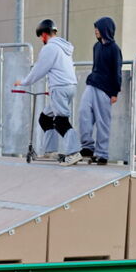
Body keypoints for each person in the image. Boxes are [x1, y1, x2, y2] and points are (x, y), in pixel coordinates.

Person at [14, 19, 82, 166]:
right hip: (69, 86)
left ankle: (74, 152)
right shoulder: (63, 47)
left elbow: (39, 69)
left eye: (40, 36)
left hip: (60, 87)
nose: (41, 40)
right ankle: (50, 151)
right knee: (45, 118)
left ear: (44, 34)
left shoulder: (50, 48)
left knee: (60, 120)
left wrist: (24, 82)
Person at [79, 17, 122, 165]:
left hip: (105, 89)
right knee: (83, 112)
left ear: (105, 29)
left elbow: (117, 71)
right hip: (92, 84)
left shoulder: (115, 49)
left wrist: (115, 92)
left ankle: (102, 153)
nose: (95, 31)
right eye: (95, 28)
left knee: (103, 122)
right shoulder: (96, 47)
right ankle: (87, 147)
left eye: (98, 28)